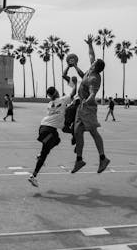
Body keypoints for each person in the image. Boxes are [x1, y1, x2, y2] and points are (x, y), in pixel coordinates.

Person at [70, 34, 110, 174]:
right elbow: (91, 55)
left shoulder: (94, 78)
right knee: (77, 132)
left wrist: (88, 100)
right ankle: (79, 160)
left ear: (95, 66)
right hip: (82, 107)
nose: (91, 61)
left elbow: (93, 93)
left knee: (93, 132)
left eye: (93, 62)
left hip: (88, 108)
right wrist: (89, 44)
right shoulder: (89, 72)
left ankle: (103, 158)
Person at [28, 76, 77, 187]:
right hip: (49, 130)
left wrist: (71, 132)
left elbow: (63, 128)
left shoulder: (49, 104)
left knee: (57, 140)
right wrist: (75, 84)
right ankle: (33, 176)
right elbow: (73, 93)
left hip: (43, 128)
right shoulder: (63, 100)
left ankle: (39, 157)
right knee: (45, 153)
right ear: (56, 92)